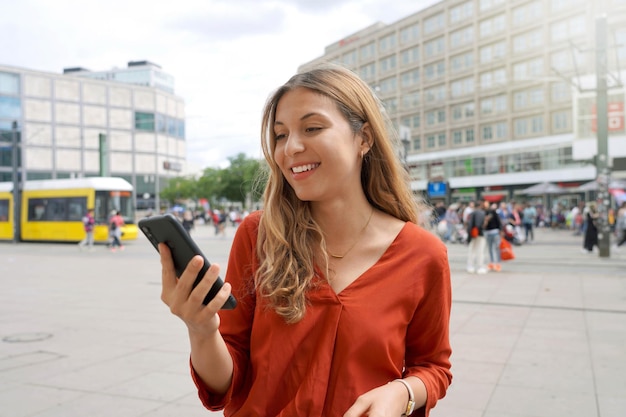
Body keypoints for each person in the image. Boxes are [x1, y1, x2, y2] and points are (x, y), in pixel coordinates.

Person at [157, 66, 452, 416]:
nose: (290, 148)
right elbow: (225, 385)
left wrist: (403, 392)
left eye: (312, 128)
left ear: (365, 138)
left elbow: (433, 367)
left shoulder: (423, 254)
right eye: (280, 135)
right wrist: (202, 329)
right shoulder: (258, 235)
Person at [466, 200, 487, 274]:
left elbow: (469, 225)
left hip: (472, 234)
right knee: (480, 251)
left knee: (472, 251)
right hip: (480, 234)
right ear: (480, 205)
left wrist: (469, 236)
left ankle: (470, 266)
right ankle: (480, 267)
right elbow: (482, 224)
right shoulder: (482, 213)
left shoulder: (471, 213)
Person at [483, 202, 503, 272]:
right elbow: (484, 225)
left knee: (497, 248)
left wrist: (500, 231)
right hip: (488, 233)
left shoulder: (494, 213)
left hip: (495, 232)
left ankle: (498, 264)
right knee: (490, 248)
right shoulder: (484, 213)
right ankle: (492, 263)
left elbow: (499, 222)